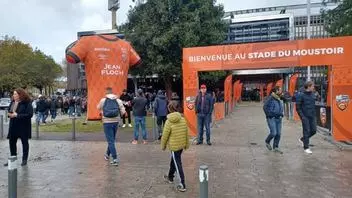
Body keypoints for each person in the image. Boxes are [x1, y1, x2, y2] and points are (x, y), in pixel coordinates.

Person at [161, 101, 189, 192]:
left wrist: (163, 145)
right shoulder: (183, 119)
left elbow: (165, 135)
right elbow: (186, 133)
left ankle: (182, 184)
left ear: (169, 109)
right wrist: (186, 144)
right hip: (181, 145)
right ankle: (170, 177)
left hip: (174, 146)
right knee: (174, 160)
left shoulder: (168, 121)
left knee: (177, 163)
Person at [4, 88, 33, 167]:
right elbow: (10, 111)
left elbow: (30, 114)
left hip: (23, 126)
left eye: (15, 94)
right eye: (14, 94)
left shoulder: (27, 103)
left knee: (24, 143)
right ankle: (13, 158)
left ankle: (24, 160)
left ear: (20, 95)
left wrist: (17, 115)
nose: (14, 95)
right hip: (13, 126)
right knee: (12, 143)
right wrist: (9, 114)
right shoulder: (13, 102)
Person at [97, 87, 126, 166]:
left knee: (110, 141)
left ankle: (115, 158)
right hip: (116, 122)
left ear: (106, 92)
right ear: (112, 92)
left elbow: (98, 107)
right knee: (112, 140)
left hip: (106, 122)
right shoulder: (118, 100)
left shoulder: (103, 100)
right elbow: (123, 111)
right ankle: (107, 154)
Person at [296, 81, 317, 154]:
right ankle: (306, 147)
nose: (313, 87)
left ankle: (302, 139)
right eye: (312, 86)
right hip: (305, 116)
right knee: (306, 131)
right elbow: (298, 107)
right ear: (308, 86)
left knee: (314, 131)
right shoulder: (301, 95)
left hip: (312, 116)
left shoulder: (313, 94)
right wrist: (302, 116)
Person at [263, 86, 284, 154]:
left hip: (279, 118)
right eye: (280, 90)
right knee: (273, 133)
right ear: (276, 91)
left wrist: (281, 114)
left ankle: (275, 147)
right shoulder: (270, 98)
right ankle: (267, 141)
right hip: (271, 118)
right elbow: (265, 107)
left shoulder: (279, 98)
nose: (281, 91)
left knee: (278, 134)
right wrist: (269, 115)